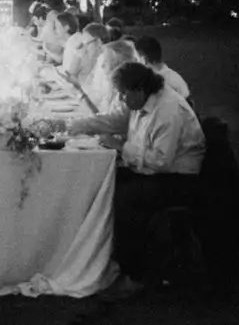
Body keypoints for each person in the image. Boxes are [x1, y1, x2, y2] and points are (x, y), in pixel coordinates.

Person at [60, 62, 205, 294]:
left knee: (125, 199)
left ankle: (134, 274)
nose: (121, 98)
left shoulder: (167, 110)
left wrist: (120, 146)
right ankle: (99, 259)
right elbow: (115, 120)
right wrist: (79, 125)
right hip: (152, 170)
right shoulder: (142, 99)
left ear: (138, 89)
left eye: (123, 93)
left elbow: (160, 161)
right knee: (102, 184)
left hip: (178, 179)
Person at [84, 39, 139, 114]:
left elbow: (106, 121)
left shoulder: (126, 95)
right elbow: (102, 116)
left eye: (106, 61)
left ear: (119, 64)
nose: (102, 66)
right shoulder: (113, 87)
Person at [133, 35, 190, 102]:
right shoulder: (176, 79)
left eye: (136, 59)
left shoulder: (149, 84)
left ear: (144, 59)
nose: (134, 62)